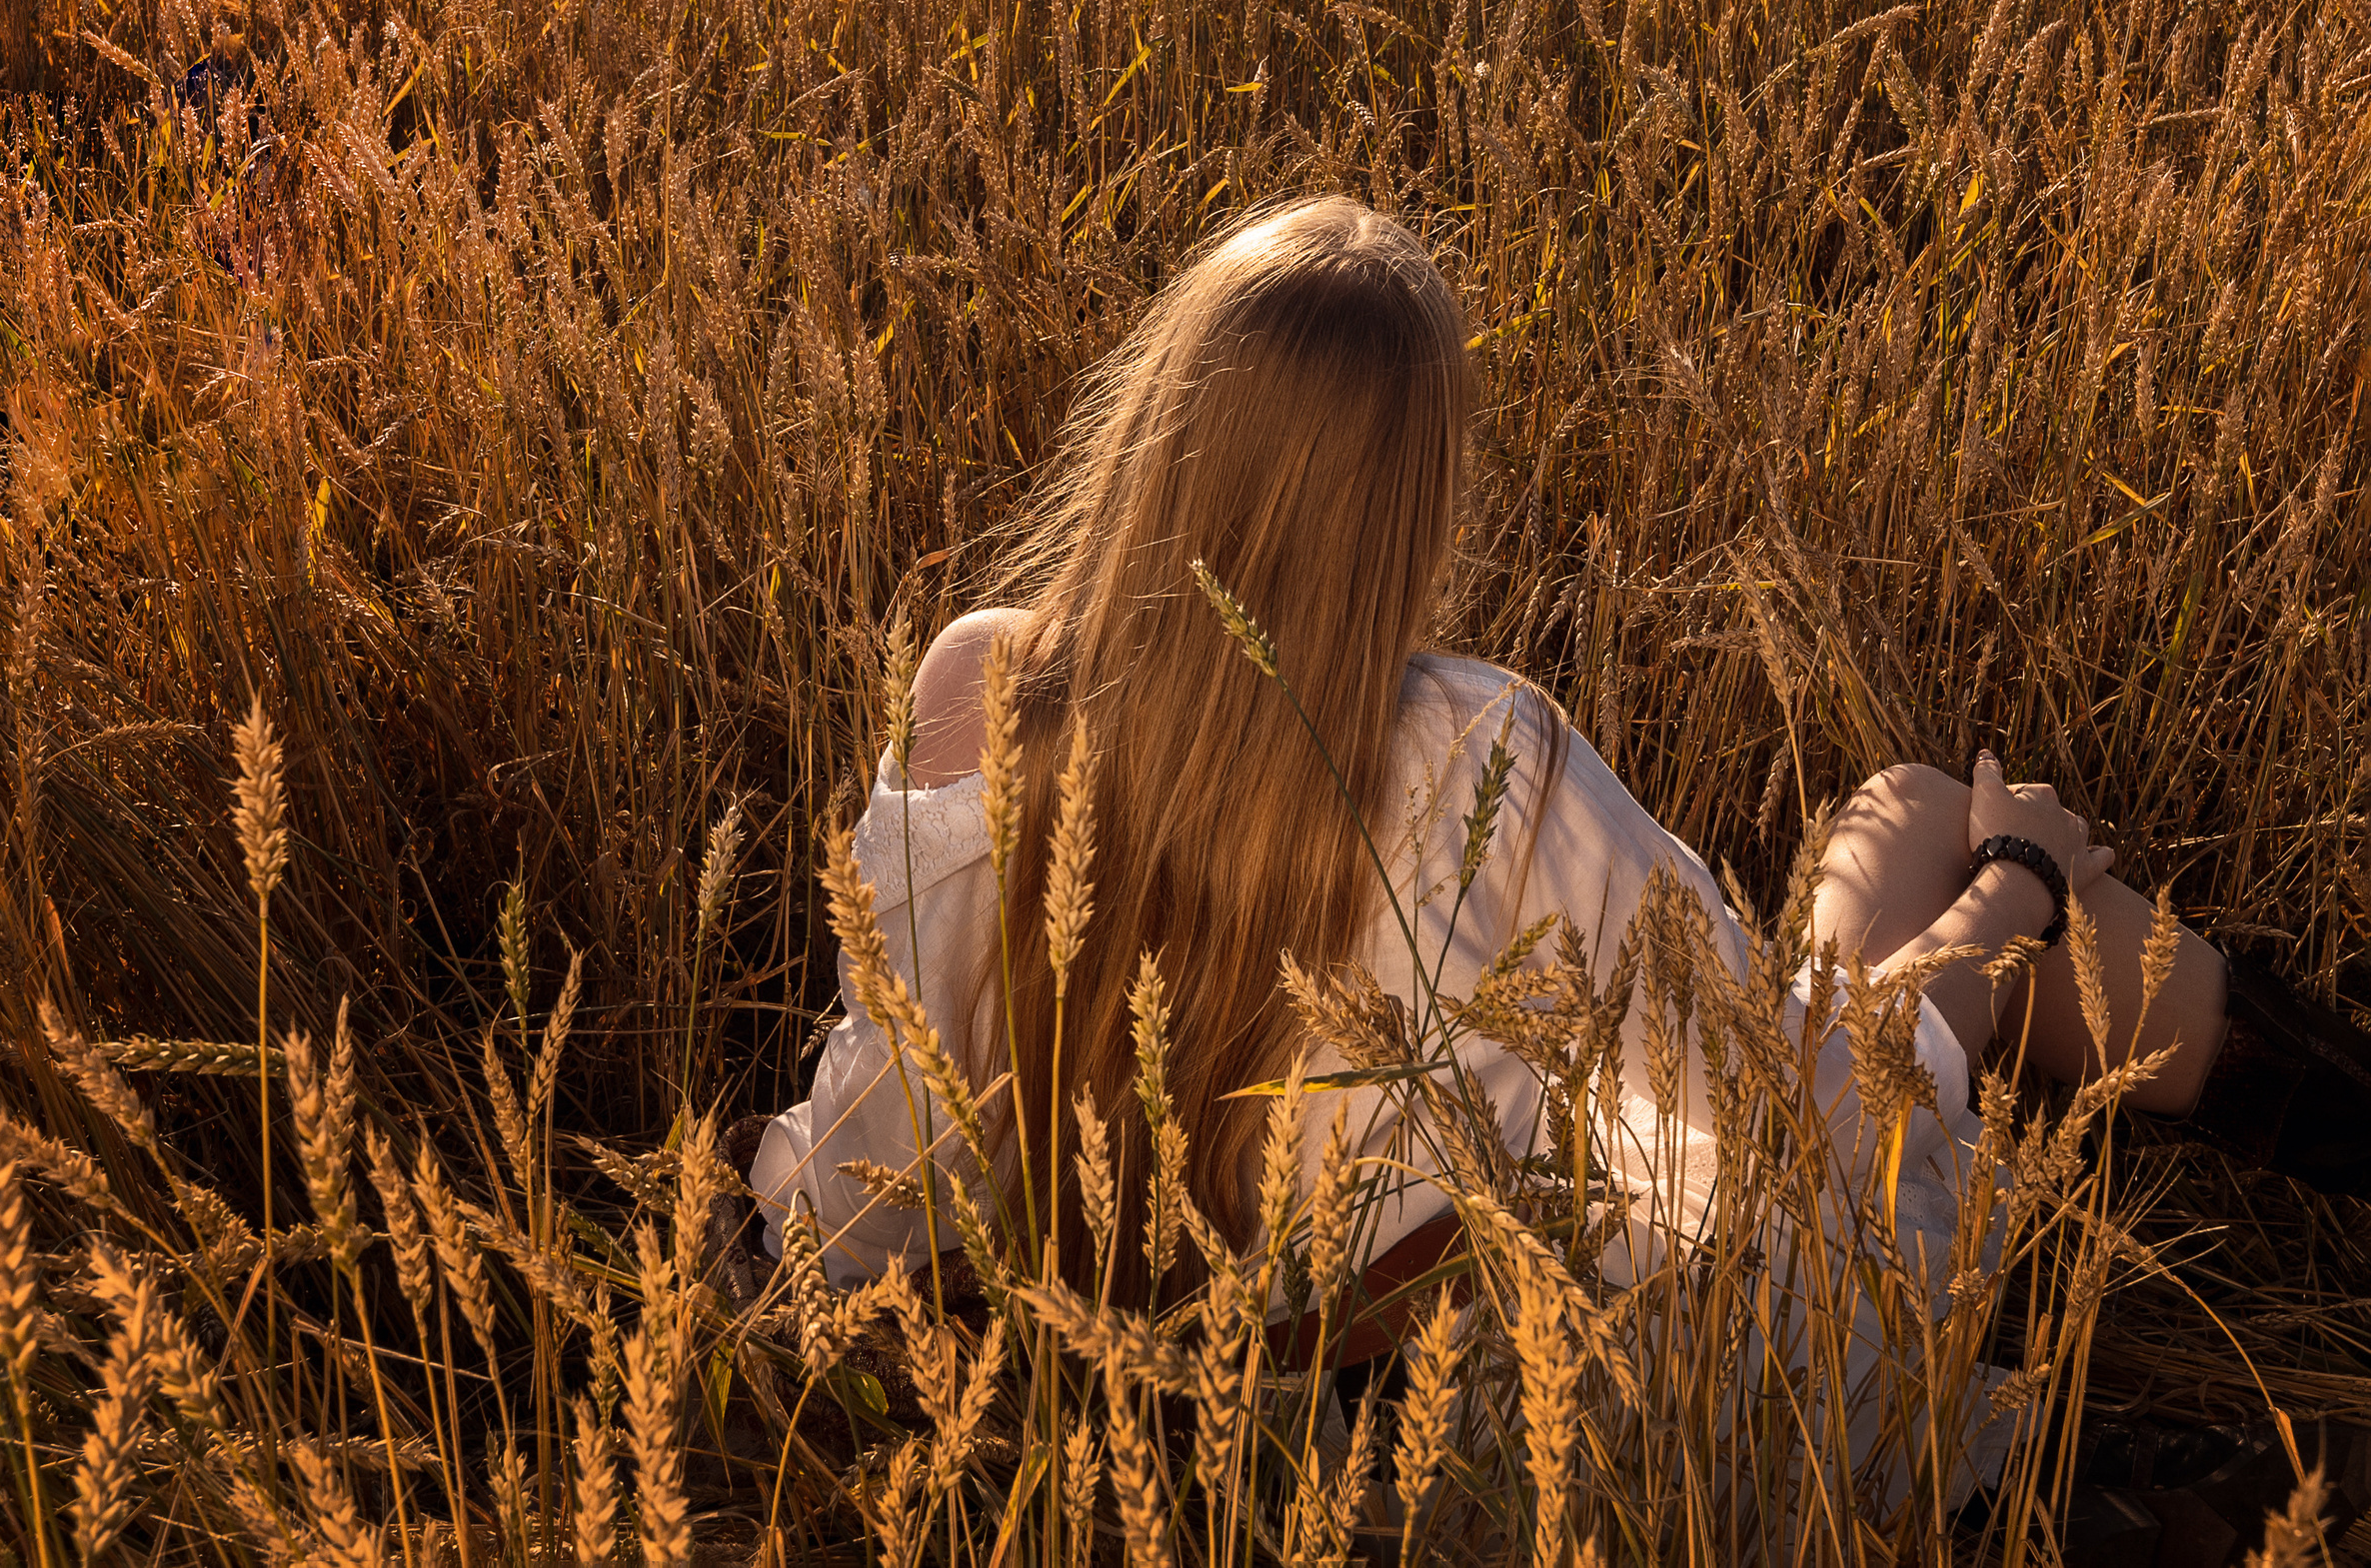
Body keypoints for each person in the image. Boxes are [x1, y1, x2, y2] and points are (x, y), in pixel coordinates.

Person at [744, 195, 2370, 1322]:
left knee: (1883, 877)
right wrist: (2001, 907)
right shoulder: (1479, 750)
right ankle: (2293, 1083)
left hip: (1188, 1410)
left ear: (1160, 433)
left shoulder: (975, 682)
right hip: (1546, 1403)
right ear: (1410, 507)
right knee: (1918, 828)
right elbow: (1787, 1108)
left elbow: (855, 1164)